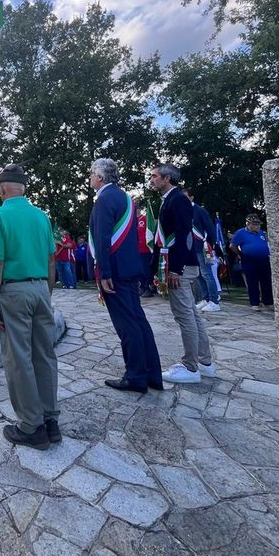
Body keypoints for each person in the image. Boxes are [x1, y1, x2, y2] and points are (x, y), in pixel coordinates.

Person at [0, 163, 59, 451]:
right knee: (45, 354)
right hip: (41, 287)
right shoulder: (42, 217)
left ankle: (31, 426)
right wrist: (46, 292)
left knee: (19, 359)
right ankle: (51, 420)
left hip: (14, 292)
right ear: (23, 188)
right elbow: (52, 260)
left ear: (3, 188)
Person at [88, 159, 163, 393]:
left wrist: (105, 272)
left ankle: (136, 376)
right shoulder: (125, 198)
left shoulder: (104, 199)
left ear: (100, 177)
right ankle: (152, 374)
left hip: (116, 273)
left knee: (127, 325)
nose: (90, 178)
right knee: (139, 321)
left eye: (91, 174)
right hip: (130, 268)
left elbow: (102, 238)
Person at [149, 165, 216, 384]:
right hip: (182, 265)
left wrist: (175, 269)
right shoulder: (170, 199)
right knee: (192, 315)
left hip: (182, 267)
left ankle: (190, 366)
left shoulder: (177, 199)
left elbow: (184, 234)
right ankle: (205, 362)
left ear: (167, 178)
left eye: (155, 176)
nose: (152, 180)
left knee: (184, 315)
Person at [230, 214, 274, 311]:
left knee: (266, 281)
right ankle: (255, 303)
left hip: (264, 260)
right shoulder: (240, 233)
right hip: (249, 260)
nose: (258, 226)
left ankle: (268, 302)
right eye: (255, 224)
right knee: (252, 281)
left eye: (258, 224)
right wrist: (241, 254)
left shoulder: (262, 233)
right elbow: (232, 246)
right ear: (248, 224)